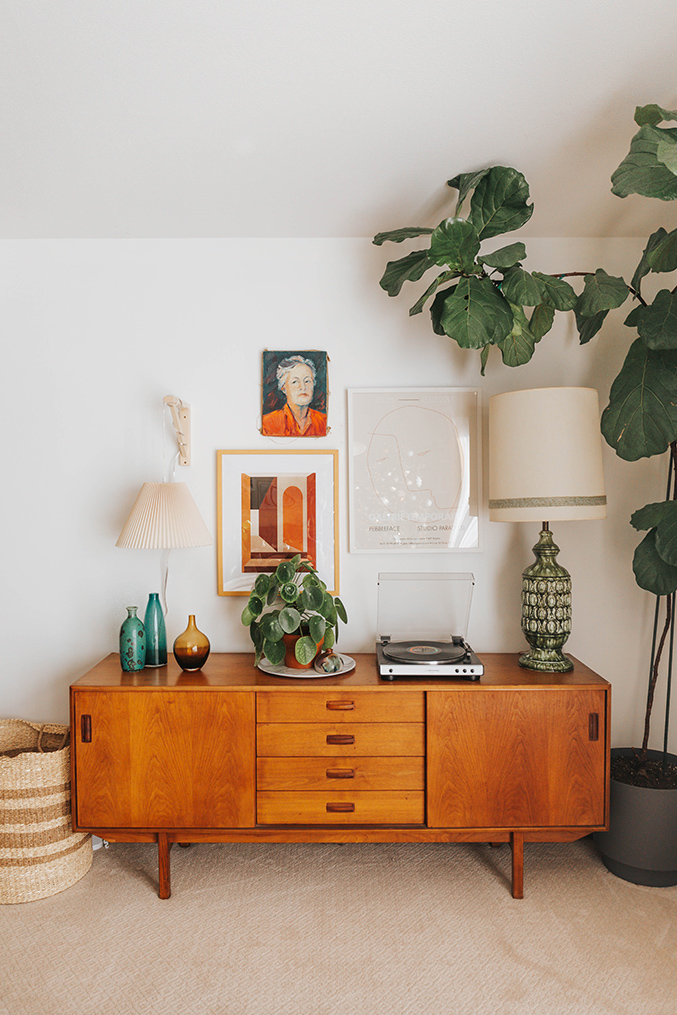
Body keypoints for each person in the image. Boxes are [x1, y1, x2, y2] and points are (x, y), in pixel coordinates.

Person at [262, 355, 327, 437]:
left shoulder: (324, 421)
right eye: (295, 382)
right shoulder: (267, 424)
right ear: (283, 387)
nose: (303, 387)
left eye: (307, 381)